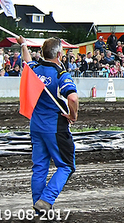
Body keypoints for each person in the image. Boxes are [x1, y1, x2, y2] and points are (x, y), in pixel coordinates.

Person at [17, 36, 78, 215]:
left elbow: (26, 61)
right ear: (59, 54)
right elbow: (73, 98)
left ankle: (39, 208)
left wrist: (23, 44)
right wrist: (73, 115)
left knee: (39, 167)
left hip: (36, 126)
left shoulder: (34, 70)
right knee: (66, 165)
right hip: (55, 128)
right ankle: (47, 199)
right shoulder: (61, 74)